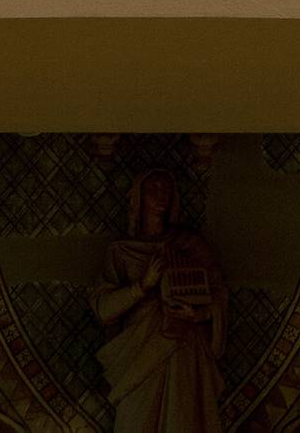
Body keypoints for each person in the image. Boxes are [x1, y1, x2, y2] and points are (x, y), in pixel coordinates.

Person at [92, 170, 227, 433]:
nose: (160, 196)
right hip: (139, 351)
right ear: (138, 196)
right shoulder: (121, 250)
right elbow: (104, 308)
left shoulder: (189, 246)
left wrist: (198, 315)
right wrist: (143, 286)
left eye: (166, 189)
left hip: (182, 347)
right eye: (153, 188)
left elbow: (218, 293)